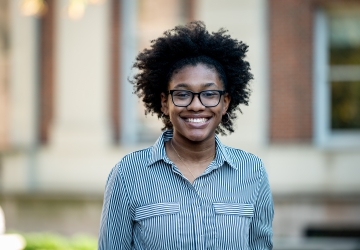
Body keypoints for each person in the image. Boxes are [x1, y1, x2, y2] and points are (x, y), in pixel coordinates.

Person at [98, 21, 274, 250]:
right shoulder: (128, 174)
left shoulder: (253, 172)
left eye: (209, 94)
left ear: (225, 102)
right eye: (182, 94)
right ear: (164, 102)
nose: (196, 106)